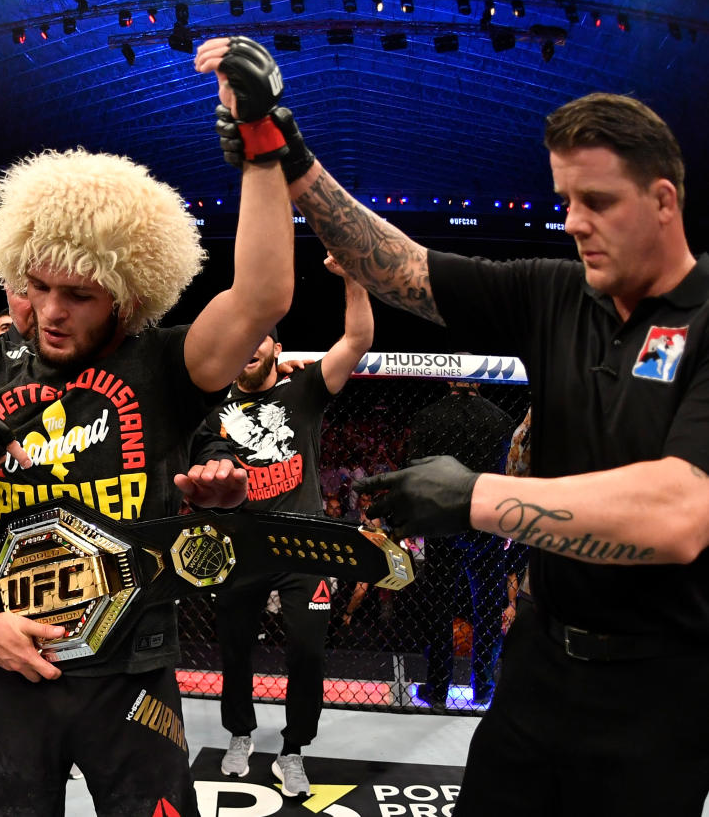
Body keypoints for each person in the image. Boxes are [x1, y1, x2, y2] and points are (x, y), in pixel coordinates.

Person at [200, 53, 709, 813]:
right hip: (539, 659)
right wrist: (284, 147)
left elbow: (680, 515)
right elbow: (402, 267)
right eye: (565, 199)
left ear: (664, 200)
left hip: (661, 681)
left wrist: (475, 496)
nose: (573, 222)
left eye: (596, 201)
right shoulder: (556, 293)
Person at [0, 37, 295, 814]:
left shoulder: (166, 366)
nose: (49, 311)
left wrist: (261, 145)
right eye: (35, 285)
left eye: (77, 293)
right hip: (8, 667)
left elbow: (263, 296)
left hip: (132, 674)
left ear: (126, 291)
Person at [201, 255, 373, 796]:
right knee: (233, 647)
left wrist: (353, 278)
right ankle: (240, 734)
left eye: (261, 336)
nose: (249, 344)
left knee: (308, 650)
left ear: (277, 347)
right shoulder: (210, 407)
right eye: (241, 335)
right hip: (240, 546)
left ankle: (293, 748)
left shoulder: (304, 391)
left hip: (305, 545)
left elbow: (357, 339)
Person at [403, 382, 516, 710]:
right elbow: (509, 473)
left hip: (443, 520)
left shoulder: (429, 417)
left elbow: (416, 472)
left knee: (440, 609)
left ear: (449, 379)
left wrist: (415, 519)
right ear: (478, 380)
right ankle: (484, 687)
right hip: (486, 520)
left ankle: (438, 688)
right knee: (488, 609)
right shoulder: (500, 419)